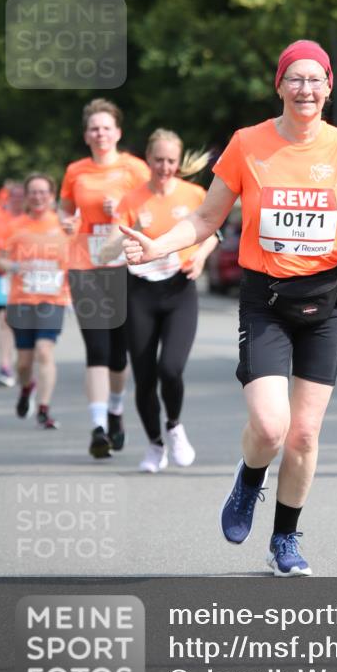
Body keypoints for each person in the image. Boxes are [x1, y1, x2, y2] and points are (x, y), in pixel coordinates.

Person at [120, 40, 337, 576]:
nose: (305, 89)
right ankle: (249, 478)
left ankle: (284, 539)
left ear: (329, 87)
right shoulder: (248, 144)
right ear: (279, 85)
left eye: (316, 79)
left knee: (304, 434)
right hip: (267, 299)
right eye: (295, 79)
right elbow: (206, 218)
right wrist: (158, 245)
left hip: (326, 299)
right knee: (269, 426)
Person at [99, 129, 220, 473]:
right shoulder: (131, 200)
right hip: (140, 292)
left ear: (177, 162)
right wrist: (126, 232)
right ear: (148, 161)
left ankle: (175, 425)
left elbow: (214, 233)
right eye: (158, 161)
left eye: (170, 161)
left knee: (171, 368)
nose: (165, 167)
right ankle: (154, 445)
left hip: (179, 289)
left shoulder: (194, 194)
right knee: (145, 375)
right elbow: (108, 248)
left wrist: (200, 258)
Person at [59, 99, 150, 459]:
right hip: (85, 266)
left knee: (117, 353)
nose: (100, 133)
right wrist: (67, 224)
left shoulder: (134, 169)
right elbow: (66, 212)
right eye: (94, 128)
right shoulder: (75, 171)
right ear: (86, 135)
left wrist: (125, 210)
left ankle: (115, 412)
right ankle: (98, 427)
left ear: (118, 133)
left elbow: (150, 214)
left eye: (106, 127)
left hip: (125, 268)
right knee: (96, 349)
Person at [0, 174, 71, 429]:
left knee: (44, 351)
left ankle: (43, 408)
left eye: (43, 192)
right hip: (21, 299)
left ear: (52, 196)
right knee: (24, 362)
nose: (38, 197)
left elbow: (76, 257)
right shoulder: (14, 225)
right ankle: (27, 387)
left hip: (53, 299)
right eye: (33, 192)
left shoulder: (64, 225)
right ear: (26, 196)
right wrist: (16, 265)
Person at [0, 182, 26, 386]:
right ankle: (5, 366)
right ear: (9, 197)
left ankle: (23, 364)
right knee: (4, 319)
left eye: (22, 196)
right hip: (2, 274)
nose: (19, 199)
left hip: (27, 275)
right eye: (15, 196)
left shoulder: (30, 220)